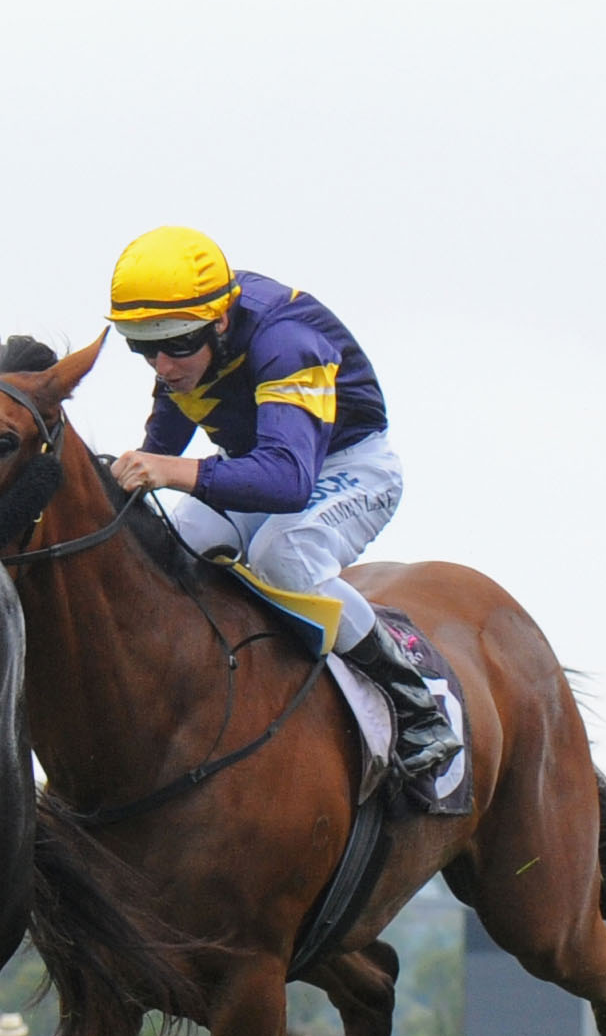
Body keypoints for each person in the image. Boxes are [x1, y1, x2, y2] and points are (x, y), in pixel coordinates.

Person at [101, 227, 464, 806]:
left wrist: (170, 471)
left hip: (347, 465)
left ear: (220, 321)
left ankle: (414, 703)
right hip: (260, 463)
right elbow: (163, 445)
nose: (162, 364)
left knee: (282, 553)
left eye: (176, 345)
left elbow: (288, 482)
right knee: (174, 540)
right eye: (142, 346)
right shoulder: (185, 344)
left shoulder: (286, 341)